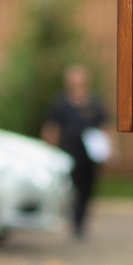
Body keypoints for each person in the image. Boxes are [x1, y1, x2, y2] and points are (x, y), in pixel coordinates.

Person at [41, 64, 109, 238]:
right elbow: (52, 127)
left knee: (87, 188)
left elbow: (104, 126)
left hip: (90, 154)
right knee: (71, 188)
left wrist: (109, 150)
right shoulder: (61, 102)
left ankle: (80, 221)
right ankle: (73, 220)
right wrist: (48, 150)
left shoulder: (94, 102)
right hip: (69, 152)